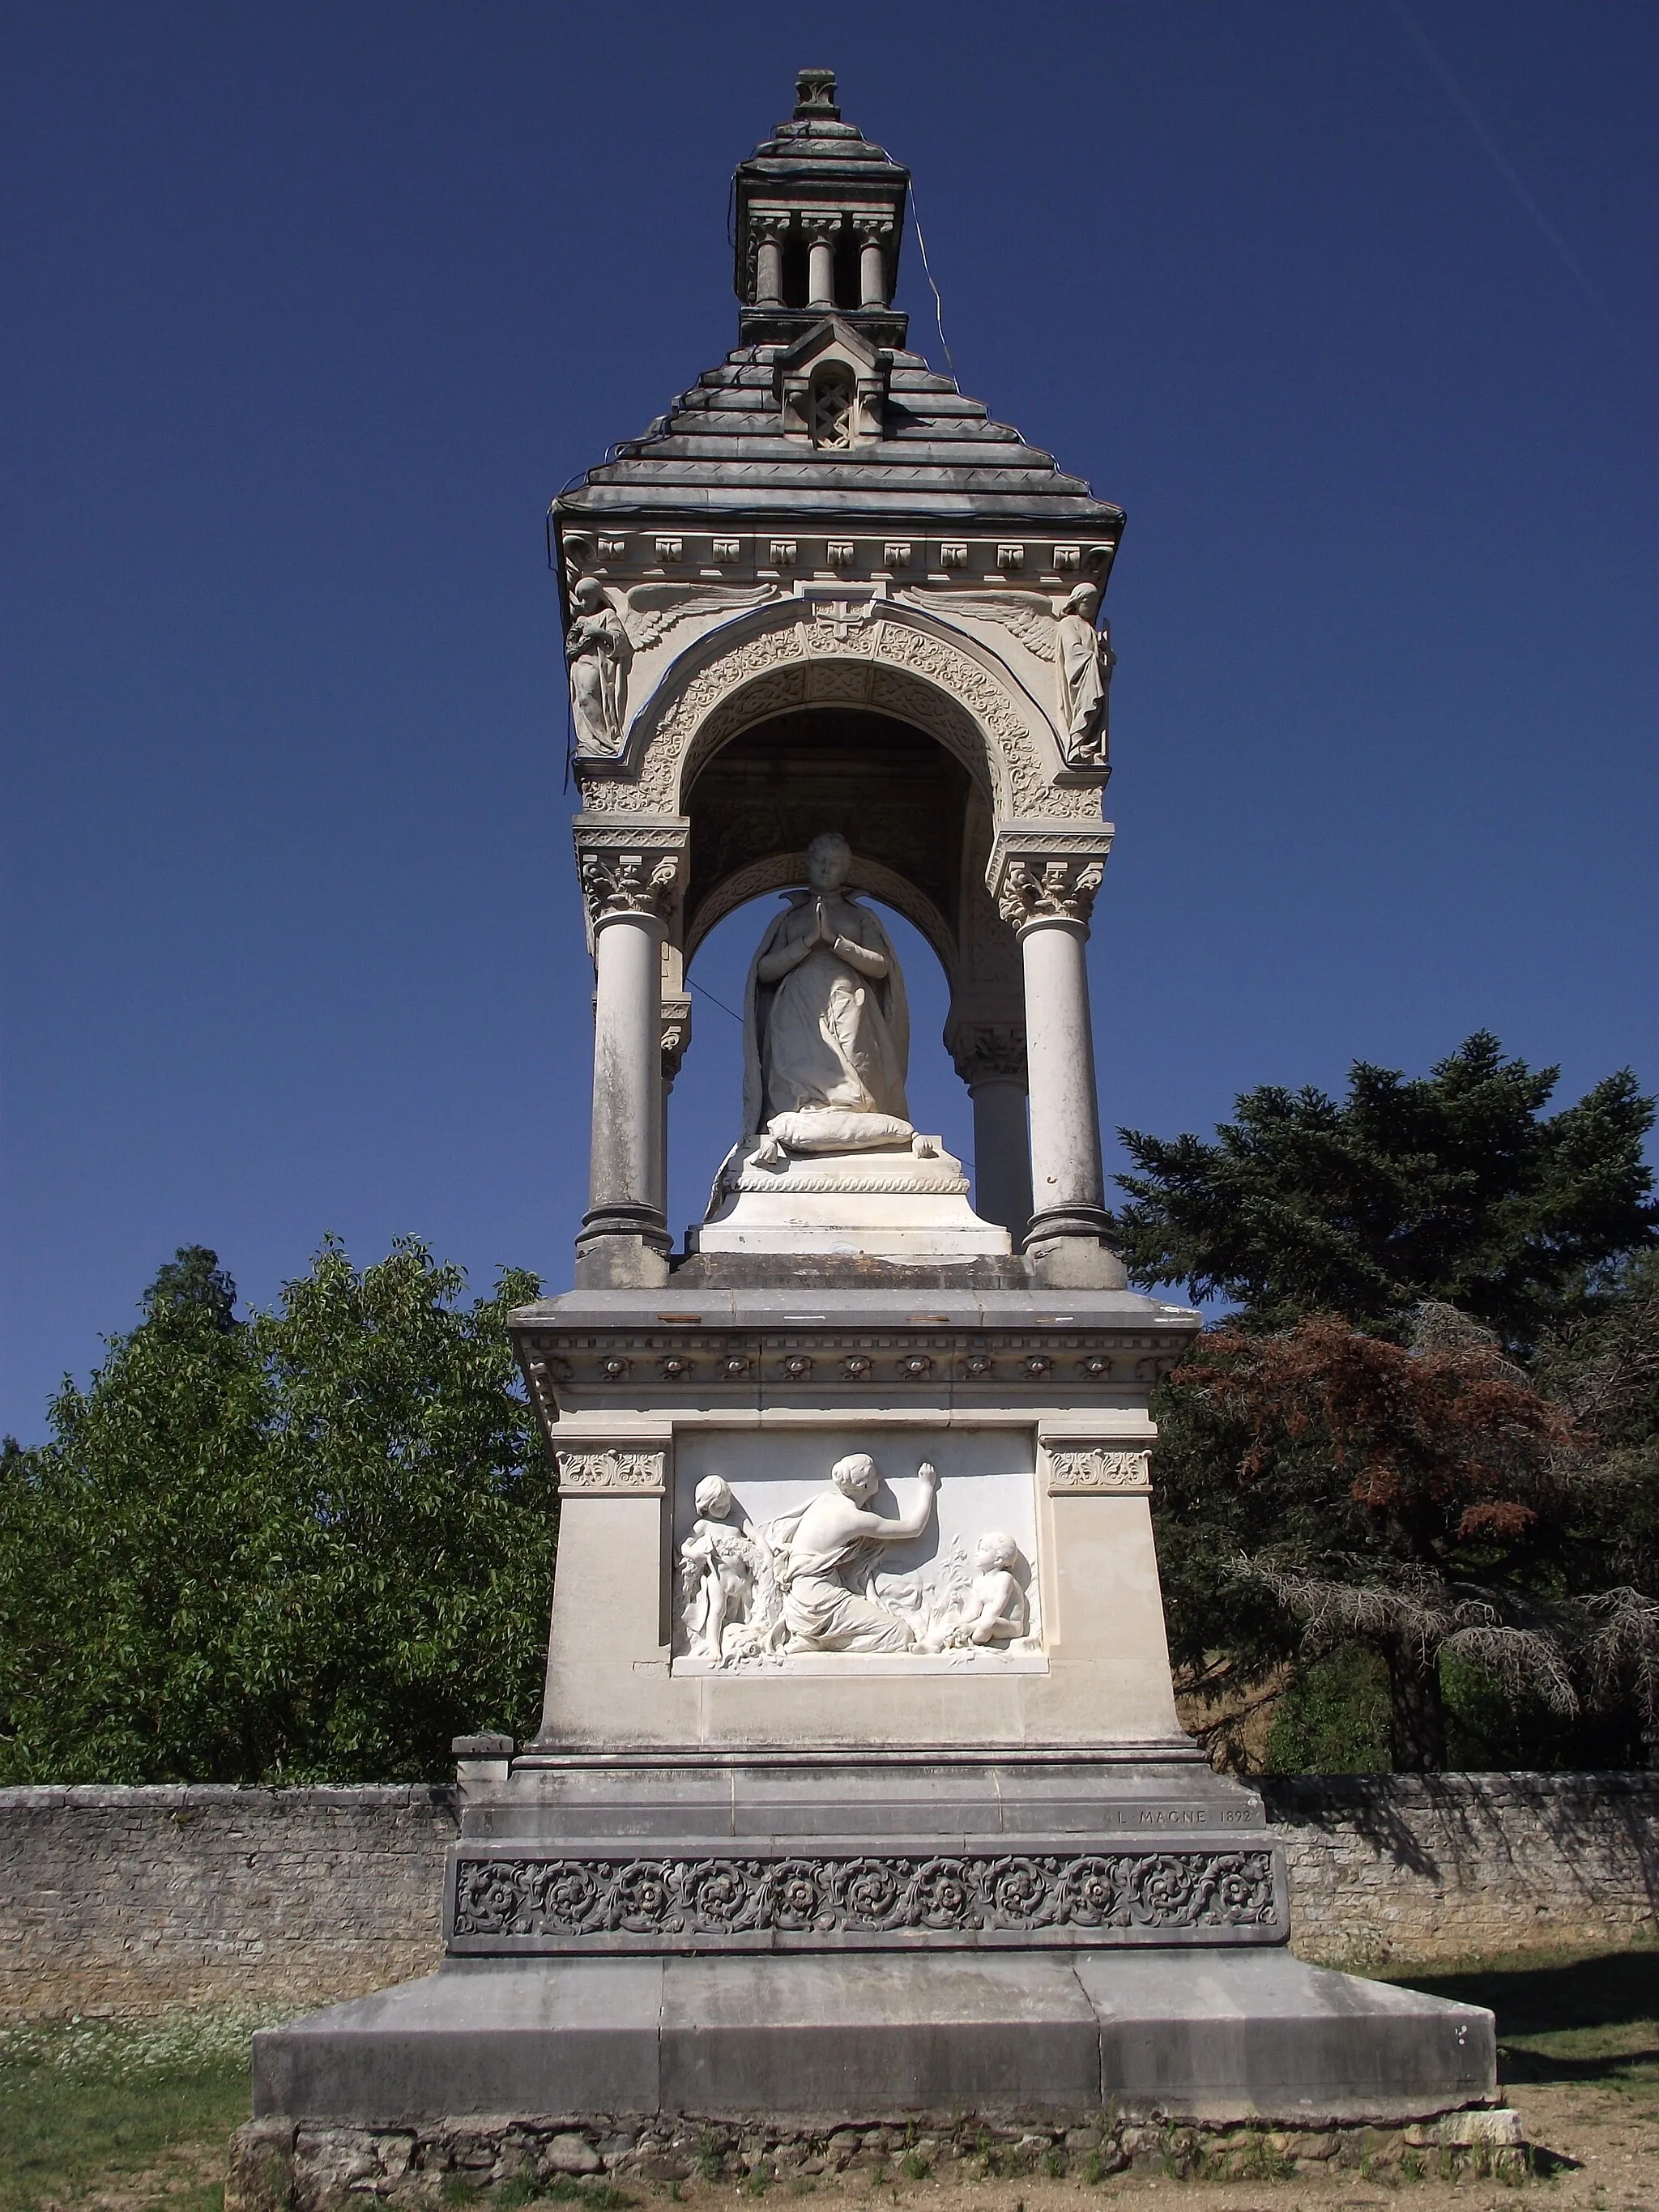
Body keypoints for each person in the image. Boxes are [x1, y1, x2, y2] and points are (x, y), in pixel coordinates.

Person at [740, 833, 910, 1144]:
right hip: (797, 1001)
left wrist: (835, 941)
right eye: (819, 861)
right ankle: (805, 1109)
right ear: (808, 864)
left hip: (847, 997)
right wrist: (806, 943)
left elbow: (880, 965)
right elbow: (765, 970)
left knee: (854, 1057)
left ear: (846, 869)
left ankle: (851, 1112)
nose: (826, 869)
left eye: (835, 863)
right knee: (799, 1061)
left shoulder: (859, 915)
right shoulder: (791, 917)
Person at [770, 1454, 938, 1653]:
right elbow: (913, 1528)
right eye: (875, 1474)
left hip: (803, 1595)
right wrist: (927, 1487)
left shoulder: (824, 1500)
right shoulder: (854, 1518)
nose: (880, 1478)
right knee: (900, 1634)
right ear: (863, 1485)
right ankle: (821, 1640)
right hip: (818, 1602)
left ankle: (818, 1637)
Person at [566, 578, 633, 752]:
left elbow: (621, 641)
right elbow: (571, 647)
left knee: (587, 695)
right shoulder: (580, 621)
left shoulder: (607, 615)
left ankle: (605, 741)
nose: (582, 603)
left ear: (596, 596)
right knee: (582, 699)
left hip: (596, 665)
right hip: (580, 665)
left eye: (585, 598)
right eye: (580, 599)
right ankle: (592, 740)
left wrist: (598, 632)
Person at [1055, 582, 1113, 761]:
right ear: (1078, 601)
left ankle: (1084, 744)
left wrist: (1106, 653)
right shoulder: (1068, 623)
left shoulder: (1090, 629)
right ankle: (1075, 743)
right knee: (1087, 707)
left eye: (1095, 604)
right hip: (1080, 676)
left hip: (1091, 675)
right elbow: (1073, 649)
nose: (1092, 607)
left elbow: (1106, 661)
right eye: (1089, 602)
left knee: (1094, 709)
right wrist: (1093, 659)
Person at [953, 1531, 1027, 1647]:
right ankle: (932, 1646)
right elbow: (974, 1611)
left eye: (983, 1550)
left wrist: (970, 1627)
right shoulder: (978, 1582)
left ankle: (975, 1640)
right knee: (951, 1620)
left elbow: (995, 1612)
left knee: (986, 1625)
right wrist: (958, 1625)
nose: (977, 1554)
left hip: (1010, 1625)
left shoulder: (1004, 1579)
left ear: (998, 1559)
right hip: (985, 1622)